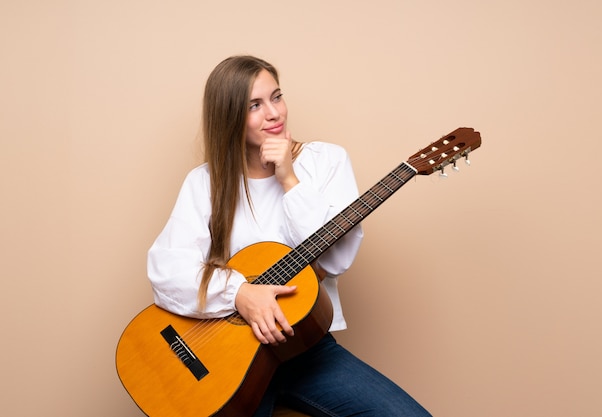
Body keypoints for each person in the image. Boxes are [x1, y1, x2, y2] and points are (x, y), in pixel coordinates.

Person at [147, 55, 432, 417]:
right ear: (229, 117)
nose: (274, 113)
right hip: (228, 356)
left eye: (277, 97)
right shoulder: (205, 182)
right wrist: (241, 294)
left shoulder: (326, 162)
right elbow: (166, 269)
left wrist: (289, 180)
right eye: (255, 105)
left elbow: (334, 261)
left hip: (304, 350)